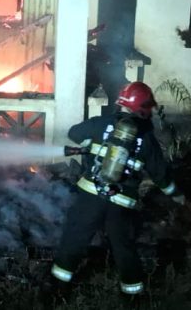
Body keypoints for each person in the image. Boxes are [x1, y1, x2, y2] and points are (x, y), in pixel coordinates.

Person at [51, 81, 183, 297]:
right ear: (142, 107)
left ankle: (57, 290)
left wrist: (92, 145)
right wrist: (175, 193)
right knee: (124, 247)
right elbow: (160, 173)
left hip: (91, 195)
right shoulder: (146, 139)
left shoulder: (101, 122)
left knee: (74, 238)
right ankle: (133, 294)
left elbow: (74, 133)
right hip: (121, 202)